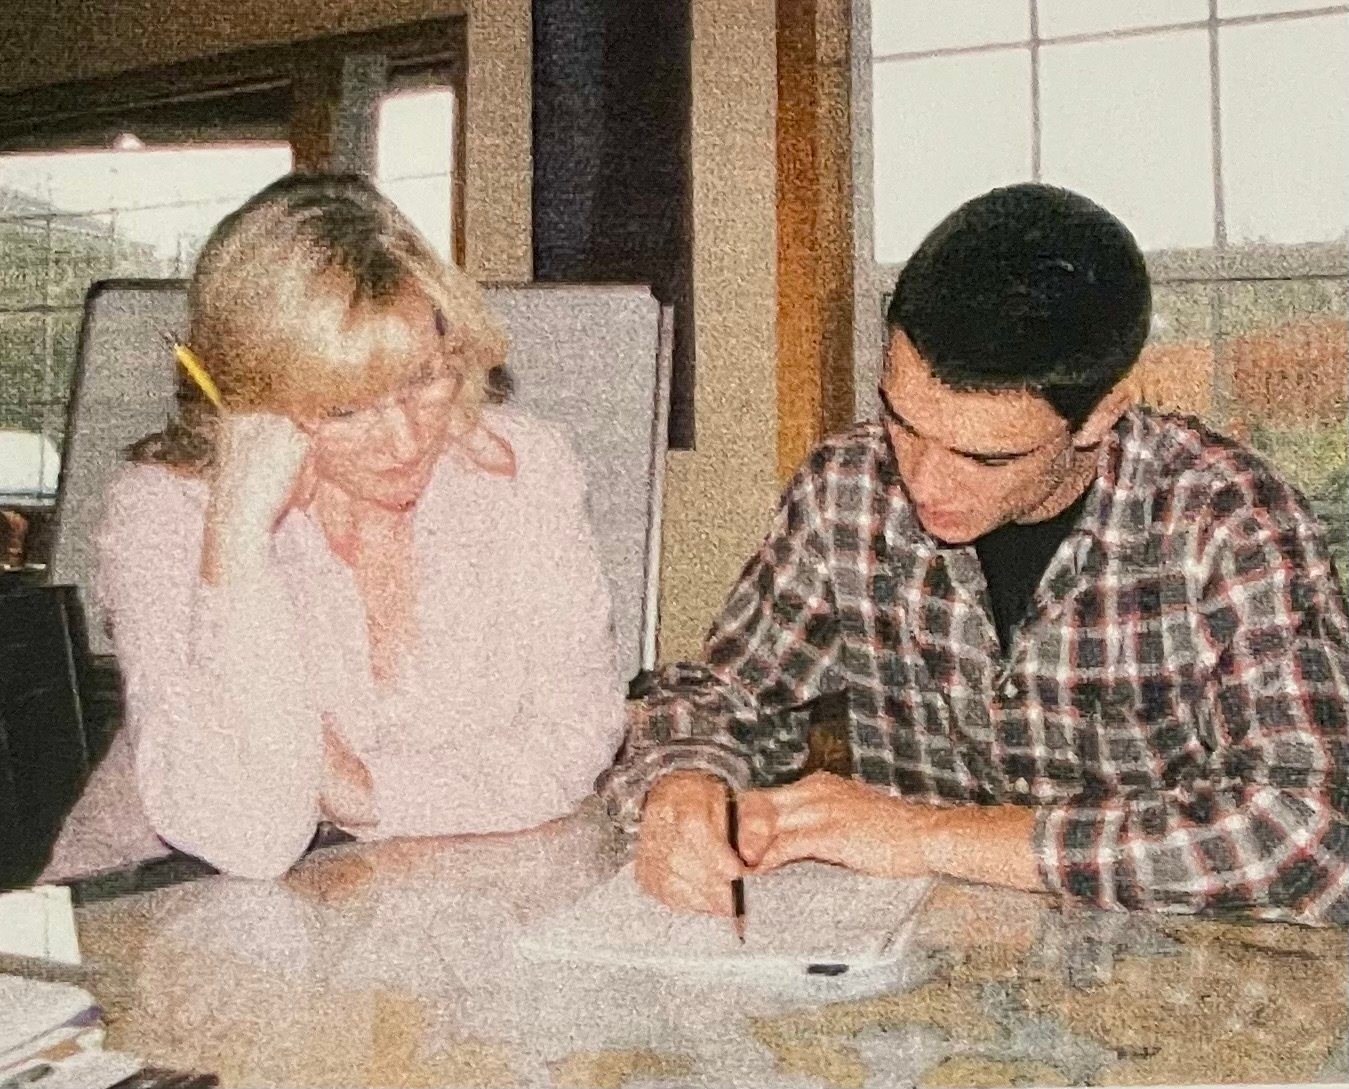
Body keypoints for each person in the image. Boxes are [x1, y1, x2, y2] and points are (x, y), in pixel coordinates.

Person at [600, 182, 1349, 925]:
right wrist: (685, 780)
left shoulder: (1227, 521)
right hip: (918, 976)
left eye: (983, 457)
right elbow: (720, 695)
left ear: (1099, 415)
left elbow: (1306, 829)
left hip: (1176, 990)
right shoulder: (848, 488)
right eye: (902, 422)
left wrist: (925, 835)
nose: (922, 481)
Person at [44, 173, 626, 881]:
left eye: (424, 379)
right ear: (246, 399)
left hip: (408, 894)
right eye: (344, 410)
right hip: (155, 898)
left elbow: (577, 734)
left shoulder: (523, 467)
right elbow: (250, 836)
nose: (407, 440)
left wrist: (364, 789)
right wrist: (237, 534)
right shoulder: (164, 511)